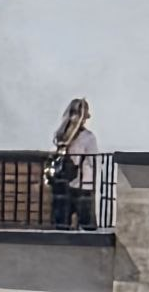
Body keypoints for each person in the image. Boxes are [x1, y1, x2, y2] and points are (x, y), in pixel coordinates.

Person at [49, 97, 98, 229]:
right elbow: (92, 160)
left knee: (61, 222)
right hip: (83, 184)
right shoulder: (88, 137)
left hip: (63, 182)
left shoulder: (61, 134)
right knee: (86, 223)